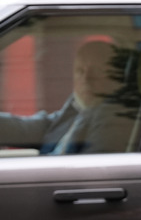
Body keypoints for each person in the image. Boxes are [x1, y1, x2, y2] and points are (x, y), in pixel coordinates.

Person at [0, 40, 134, 155]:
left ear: (116, 78)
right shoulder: (77, 108)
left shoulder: (115, 118)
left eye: (98, 71)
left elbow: (94, 173)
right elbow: (35, 128)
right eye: (80, 71)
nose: (86, 79)